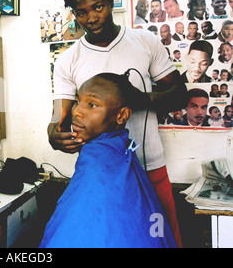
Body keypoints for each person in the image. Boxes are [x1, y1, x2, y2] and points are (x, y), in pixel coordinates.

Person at [48, 0, 186, 247]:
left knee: (162, 238)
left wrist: (144, 100)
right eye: (81, 12)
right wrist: (54, 135)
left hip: (151, 167)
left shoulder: (144, 42)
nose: (91, 18)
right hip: (102, 176)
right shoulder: (67, 61)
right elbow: (58, 120)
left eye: (97, 7)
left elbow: (180, 94)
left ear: (110, 2)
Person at [41, 73, 177, 248]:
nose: (76, 112)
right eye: (77, 101)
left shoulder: (102, 166)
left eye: (91, 105)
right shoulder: (115, 149)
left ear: (121, 116)